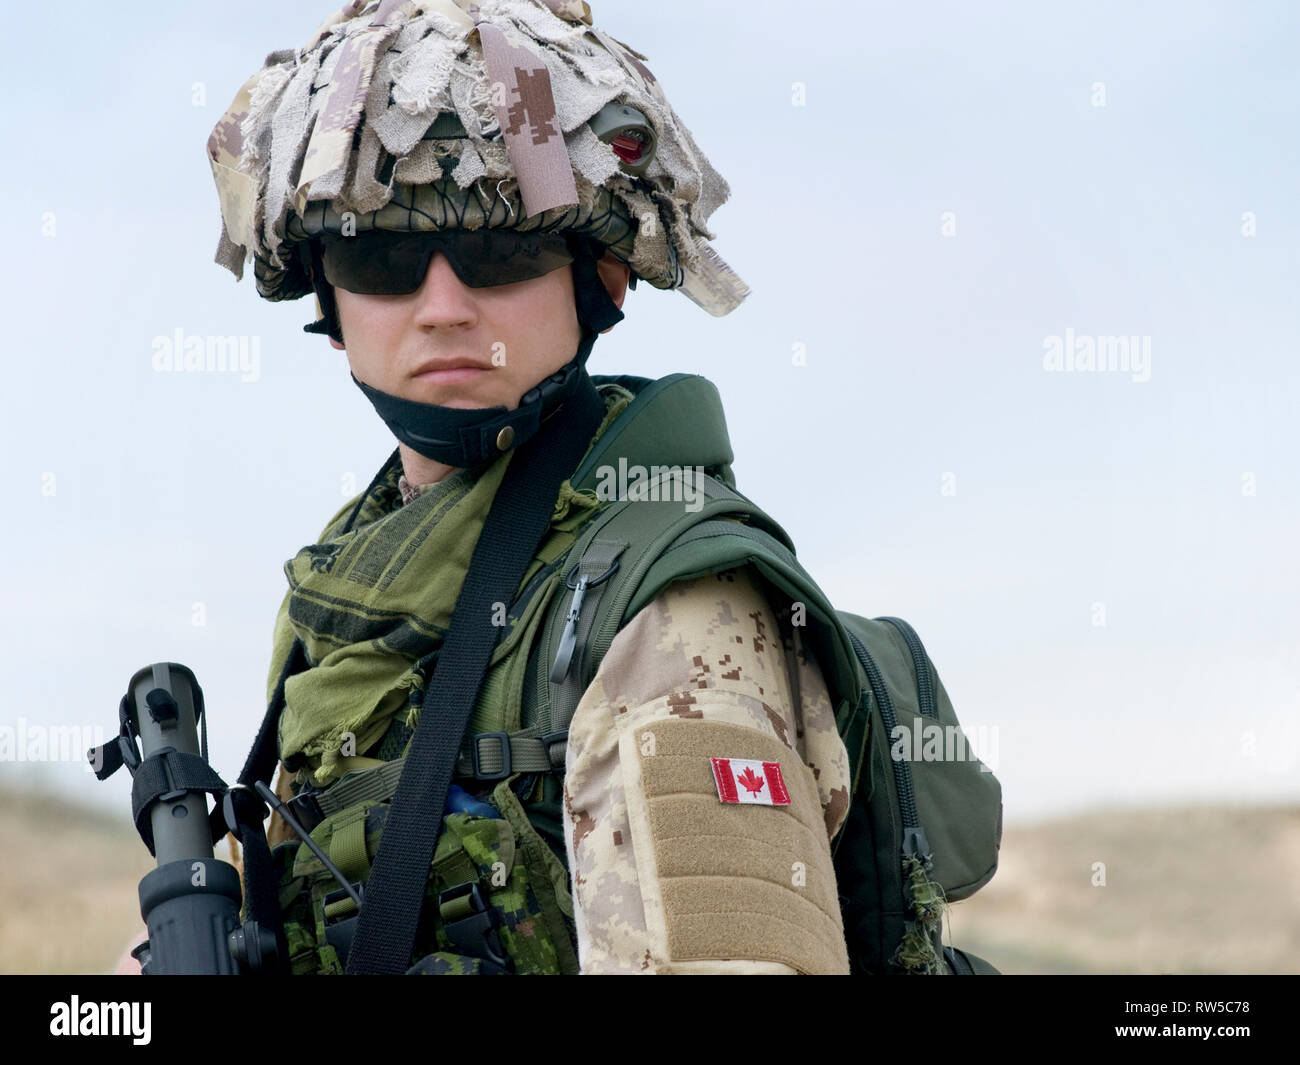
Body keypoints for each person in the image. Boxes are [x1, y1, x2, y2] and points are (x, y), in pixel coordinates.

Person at [190, 0, 854, 975]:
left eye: (502, 252)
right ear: (329, 301)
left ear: (603, 281)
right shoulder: (343, 586)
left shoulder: (666, 604)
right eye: (381, 260)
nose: (444, 308)